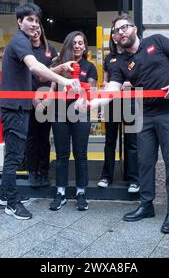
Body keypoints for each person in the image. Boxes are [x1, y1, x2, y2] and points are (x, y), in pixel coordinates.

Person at [81, 13, 169, 234]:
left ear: (134, 29)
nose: (120, 32)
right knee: (144, 163)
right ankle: (146, 205)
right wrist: (91, 104)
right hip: (145, 116)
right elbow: (112, 90)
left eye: (124, 28)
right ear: (114, 39)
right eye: (116, 31)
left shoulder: (157, 41)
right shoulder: (120, 63)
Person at [0, 3, 79, 220]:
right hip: (14, 107)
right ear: (19, 22)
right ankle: (11, 204)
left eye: (36, 20)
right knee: (14, 156)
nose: (34, 24)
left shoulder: (21, 42)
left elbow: (39, 76)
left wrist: (59, 69)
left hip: (18, 106)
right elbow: (34, 67)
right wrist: (64, 80)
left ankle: (6, 195)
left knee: (14, 154)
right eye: (29, 20)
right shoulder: (19, 41)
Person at [48, 31, 98, 212]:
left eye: (81, 43)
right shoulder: (58, 64)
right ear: (68, 44)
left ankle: (81, 193)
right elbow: (51, 86)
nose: (77, 46)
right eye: (74, 43)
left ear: (85, 46)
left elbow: (91, 88)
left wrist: (82, 94)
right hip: (59, 113)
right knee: (61, 154)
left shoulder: (90, 67)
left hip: (80, 114)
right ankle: (60, 192)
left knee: (80, 154)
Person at [97, 27, 139, 193]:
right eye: (115, 34)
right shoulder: (109, 58)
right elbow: (105, 82)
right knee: (110, 141)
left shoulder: (134, 55)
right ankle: (106, 177)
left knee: (132, 143)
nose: (118, 35)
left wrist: (133, 84)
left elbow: (142, 79)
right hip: (112, 104)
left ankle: (133, 180)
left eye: (121, 32)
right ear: (113, 38)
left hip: (130, 103)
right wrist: (105, 86)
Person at [26, 23, 57, 188]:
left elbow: (54, 74)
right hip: (30, 101)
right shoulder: (25, 50)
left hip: (47, 100)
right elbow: (23, 76)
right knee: (31, 137)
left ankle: (44, 172)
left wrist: (50, 94)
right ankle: (32, 171)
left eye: (39, 29)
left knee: (44, 138)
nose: (36, 31)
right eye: (34, 29)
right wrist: (33, 99)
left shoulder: (50, 49)